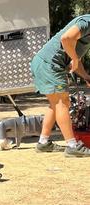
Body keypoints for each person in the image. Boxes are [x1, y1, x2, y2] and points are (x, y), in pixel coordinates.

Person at [31, 14, 90, 157]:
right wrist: (75, 59)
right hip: (49, 64)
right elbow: (66, 38)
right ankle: (72, 146)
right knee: (63, 102)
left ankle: (43, 142)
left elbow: (76, 62)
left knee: (55, 104)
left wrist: (87, 77)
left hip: (46, 63)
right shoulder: (87, 22)